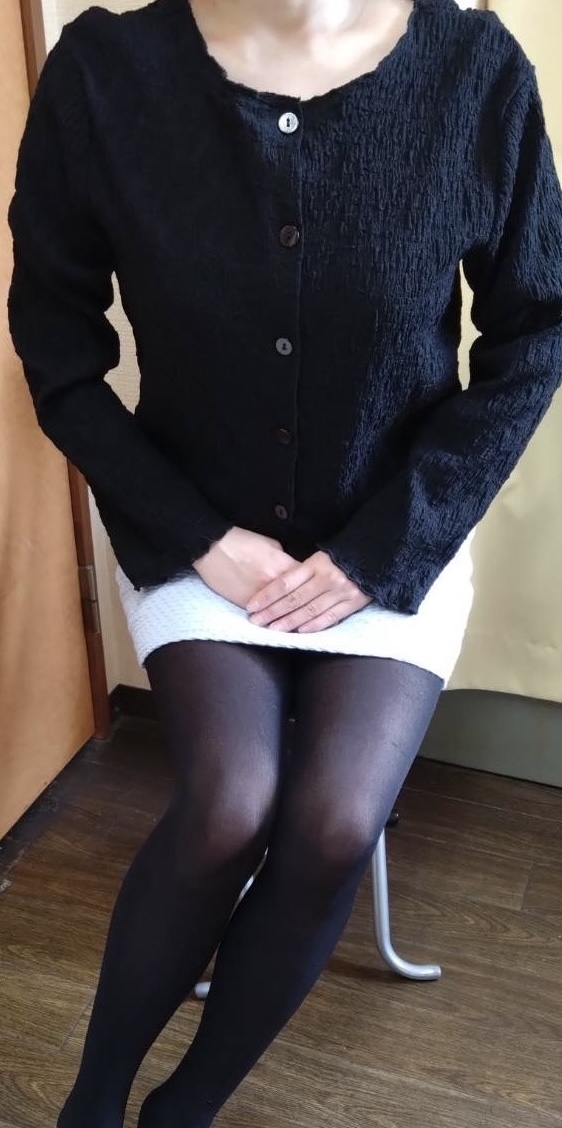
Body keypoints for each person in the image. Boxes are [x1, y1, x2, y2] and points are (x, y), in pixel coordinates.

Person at [7, 0, 562, 1124]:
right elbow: (56, 347)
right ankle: (93, 1104)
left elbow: (535, 333)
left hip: (392, 535)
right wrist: (193, 534)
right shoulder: (107, 73)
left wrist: (382, 549)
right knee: (230, 803)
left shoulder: (474, 71)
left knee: (335, 821)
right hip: (199, 537)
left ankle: (184, 1109)